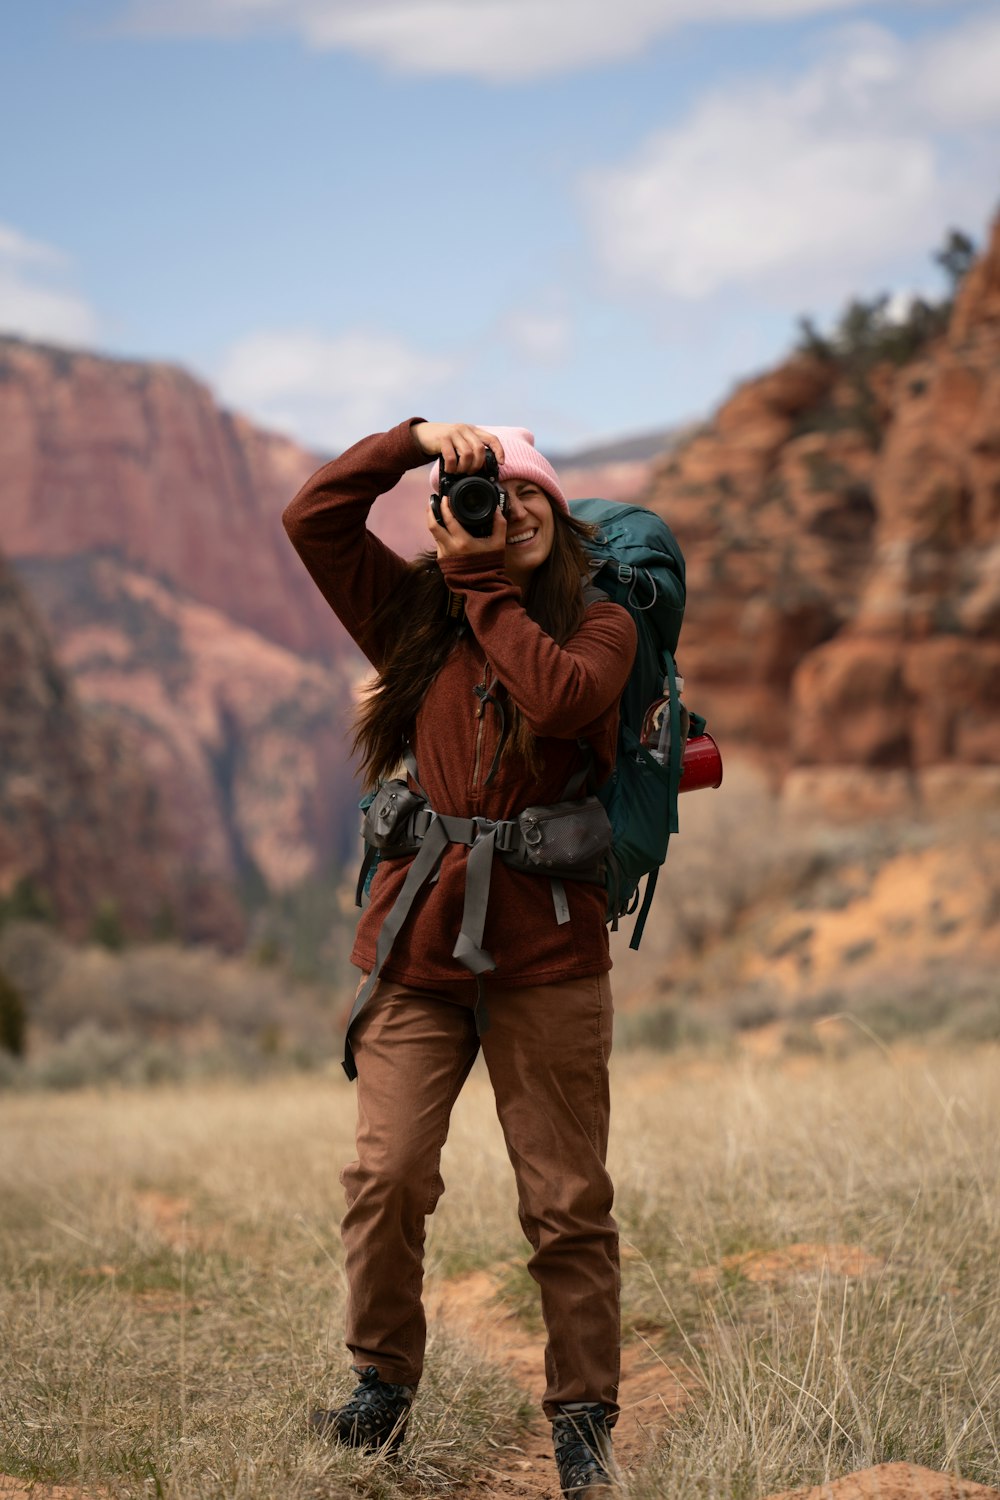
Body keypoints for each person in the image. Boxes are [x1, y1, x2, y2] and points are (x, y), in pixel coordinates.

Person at [282, 418, 637, 1498]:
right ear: (449, 513)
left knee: (565, 1199)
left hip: (548, 952)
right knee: (384, 1175)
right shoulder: (412, 618)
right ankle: (380, 1386)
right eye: (483, 495)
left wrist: (481, 585)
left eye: (527, 494)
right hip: (418, 944)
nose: (507, 510)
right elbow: (312, 518)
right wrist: (411, 438)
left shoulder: (605, 623)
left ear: (558, 514)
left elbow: (562, 700)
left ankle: (582, 1420)